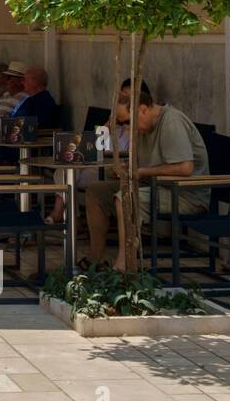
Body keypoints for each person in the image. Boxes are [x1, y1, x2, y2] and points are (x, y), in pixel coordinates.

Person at [85, 87, 207, 269]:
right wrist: (126, 168)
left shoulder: (171, 122)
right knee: (96, 192)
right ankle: (95, 260)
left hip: (184, 195)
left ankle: (124, 265)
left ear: (142, 109)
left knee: (124, 198)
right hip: (153, 186)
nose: (126, 128)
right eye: (121, 123)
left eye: (127, 121)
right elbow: (143, 164)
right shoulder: (143, 126)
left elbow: (185, 167)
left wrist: (142, 172)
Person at [47, 79, 149, 226]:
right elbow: (94, 144)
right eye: (123, 96)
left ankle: (64, 215)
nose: (124, 101)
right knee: (63, 171)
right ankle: (70, 217)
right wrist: (110, 122)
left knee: (68, 175)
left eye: (129, 97)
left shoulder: (140, 129)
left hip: (112, 169)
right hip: (95, 164)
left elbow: (131, 156)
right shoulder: (116, 127)